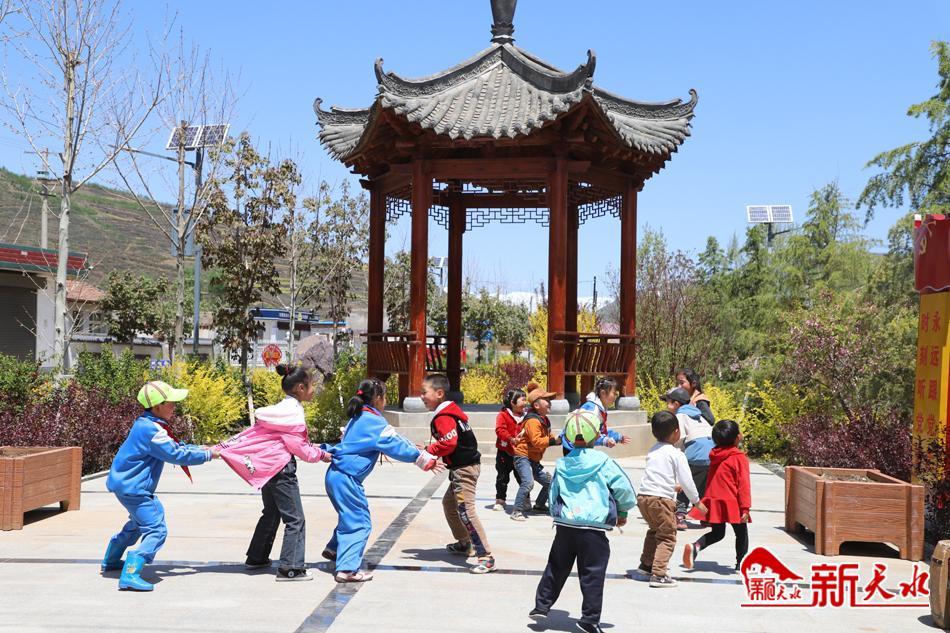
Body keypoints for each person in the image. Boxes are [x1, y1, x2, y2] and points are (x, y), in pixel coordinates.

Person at [102, 380, 218, 592]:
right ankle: (130, 573)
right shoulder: (152, 431)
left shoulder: (146, 424)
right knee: (156, 528)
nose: (174, 406)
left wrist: (200, 448)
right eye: (170, 402)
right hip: (134, 488)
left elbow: (175, 446)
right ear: (157, 406)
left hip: (125, 485)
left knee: (137, 524)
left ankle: (111, 560)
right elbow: (175, 454)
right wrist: (208, 455)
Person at [323, 378, 440, 583]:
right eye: (385, 397)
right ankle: (347, 569)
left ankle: (335, 549)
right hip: (347, 478)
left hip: (336, 475)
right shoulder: (373, 421)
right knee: (359, 522)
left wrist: (416, 451)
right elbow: (395, 444)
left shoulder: (359, 416)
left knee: (350, 516)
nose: (385, 401)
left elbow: (393, 440)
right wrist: (423, 459)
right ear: (378, 398)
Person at [530, 408, 636, 633]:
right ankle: (589, 618)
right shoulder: (603, 461)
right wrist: (623, 512)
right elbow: (623, 489)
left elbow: (553, 492)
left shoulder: (563, 463)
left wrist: (557, 515)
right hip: (593, 529)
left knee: (556, 565)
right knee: (593, 573)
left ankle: (541, 605)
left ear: (568, 437)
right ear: (596, 434)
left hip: (566, 526)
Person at [236, 363, 331, 582]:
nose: (314, 389)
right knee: (295, 519)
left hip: (269, 469)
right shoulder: (292, 414)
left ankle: (257, 557)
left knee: (271, 513)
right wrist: (321, 455)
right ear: (300, 388)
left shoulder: (280, 411)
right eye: (311, 385)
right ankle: (291, 568)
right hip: (282, 470)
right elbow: (300, 448)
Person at [421, 373, 495, 574]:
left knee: (465, 510)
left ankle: (486, 556)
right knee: (449, 504)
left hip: (464, 470)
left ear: (439, 393)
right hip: (463, 467)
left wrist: (429, 450)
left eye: (424, 392)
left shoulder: (444, 416)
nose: (421, 396)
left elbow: (449, 442)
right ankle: (465, 542)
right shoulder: (452, 413)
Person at [634, 410, 708, 588]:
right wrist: (697, 502)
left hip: (644, 497)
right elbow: (687, 481)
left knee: (654, 530)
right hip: (661, 501)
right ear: (677, 432)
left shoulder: (653, 450)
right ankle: (659, 574)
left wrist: (672, 486)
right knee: (667, 536)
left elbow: (656, 475)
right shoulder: (677, 454)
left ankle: (645, 566)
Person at [682, 419, 751, 572]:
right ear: (737, 437)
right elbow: (744, 485)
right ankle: (740, 563)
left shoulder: (714, 454)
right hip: (732, 501)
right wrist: (745, 508)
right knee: (741, 533)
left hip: (714, 500)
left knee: (718, 533)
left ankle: (696, 546)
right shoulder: (739, 457)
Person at [661, 387, 715, 530]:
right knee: (702, 485)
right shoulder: (699, 415)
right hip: (711, 454)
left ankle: (679, 514)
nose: (667, 406)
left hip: (695, 454)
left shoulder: (680, 416)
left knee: (685, 483)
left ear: (676, 404)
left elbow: (680, 437)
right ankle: (706, 516)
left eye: (668, 402)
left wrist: (675, 455)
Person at [510, 383, 560, 521]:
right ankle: (516, 510)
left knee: (551, 482)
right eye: (547, 400)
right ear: (536, 405)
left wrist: (560, 439)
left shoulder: (544, 420)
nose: (550, 403)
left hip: (533, 459)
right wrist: (553, 441)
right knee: (528, 483)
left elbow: (548, 436)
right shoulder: (533, 421)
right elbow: (537, 441)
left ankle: (539, 505)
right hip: (523, 457)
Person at [562, 376, 632, 456]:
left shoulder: (600, 408)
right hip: (573, 448)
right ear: (603, 393)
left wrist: (617, 437)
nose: (615, 397)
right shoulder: (593, 410)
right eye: (614, 393)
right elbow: (588, 433)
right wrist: (605, 441)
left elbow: (600, 431)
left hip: (580, 448)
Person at [493, 388, 526, 512]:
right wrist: (510, 439)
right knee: (502, 478)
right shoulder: (503, 415)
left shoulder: (526, 416)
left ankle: (525, 500)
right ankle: (500, 500)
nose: (525, 402)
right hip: (504, 452)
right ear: (513, 402)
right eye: (522, 400)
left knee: (523, 478)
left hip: (521, 453)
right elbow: (500, 430)